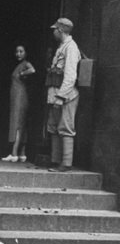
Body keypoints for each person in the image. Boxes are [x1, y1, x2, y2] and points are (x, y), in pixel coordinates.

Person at [46, 18, 81, 172]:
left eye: (55, 29)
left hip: (66, 95)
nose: (53, 32)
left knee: (65, 127)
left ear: (60, 30)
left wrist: (61, 97)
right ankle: (55, 160)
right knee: (53, 127)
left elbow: (70, 76)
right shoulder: (62, 46)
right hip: (55, 93)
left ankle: (65, 163)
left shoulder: (71, 48)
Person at [2, 43, 36, 162]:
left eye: (21, 51)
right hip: (18, 96)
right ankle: (22, 153)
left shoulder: (25, 64)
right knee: (21, 123)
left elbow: (32, 70)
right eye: (17, 51)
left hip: (19, 97)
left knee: (16, 123)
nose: (18, 54)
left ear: (26, 53)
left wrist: (22, 74)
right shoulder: (20, 64)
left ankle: (14, 153)